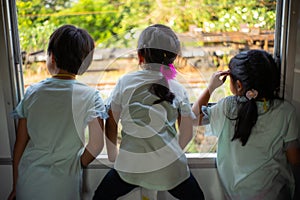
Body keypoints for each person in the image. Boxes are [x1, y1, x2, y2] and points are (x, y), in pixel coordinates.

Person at [93, 24, 205, 200]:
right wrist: (172, 152)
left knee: (100, 197)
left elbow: (111, 122)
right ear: (173, 58)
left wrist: (113, 156)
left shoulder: (125, 82)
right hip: (170, 168)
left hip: (131, 166)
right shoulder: (178, 88)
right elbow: (187, 132)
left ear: (140, 55)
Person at [8, 24, 107, 200]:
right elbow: (97, 144)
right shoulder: (91, 97)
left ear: (51, 57)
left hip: (28, 182)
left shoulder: (32, 92)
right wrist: (76, 164)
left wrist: (16, 184)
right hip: (64, 186)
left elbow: (20, 144)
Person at [192, 49, 300, 200]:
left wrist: (210, 87)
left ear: (239, 85)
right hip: (276, 194)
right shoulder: (286, 111)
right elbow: (294, 159)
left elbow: (193, 117)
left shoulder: (228, 107)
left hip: (236, 195)